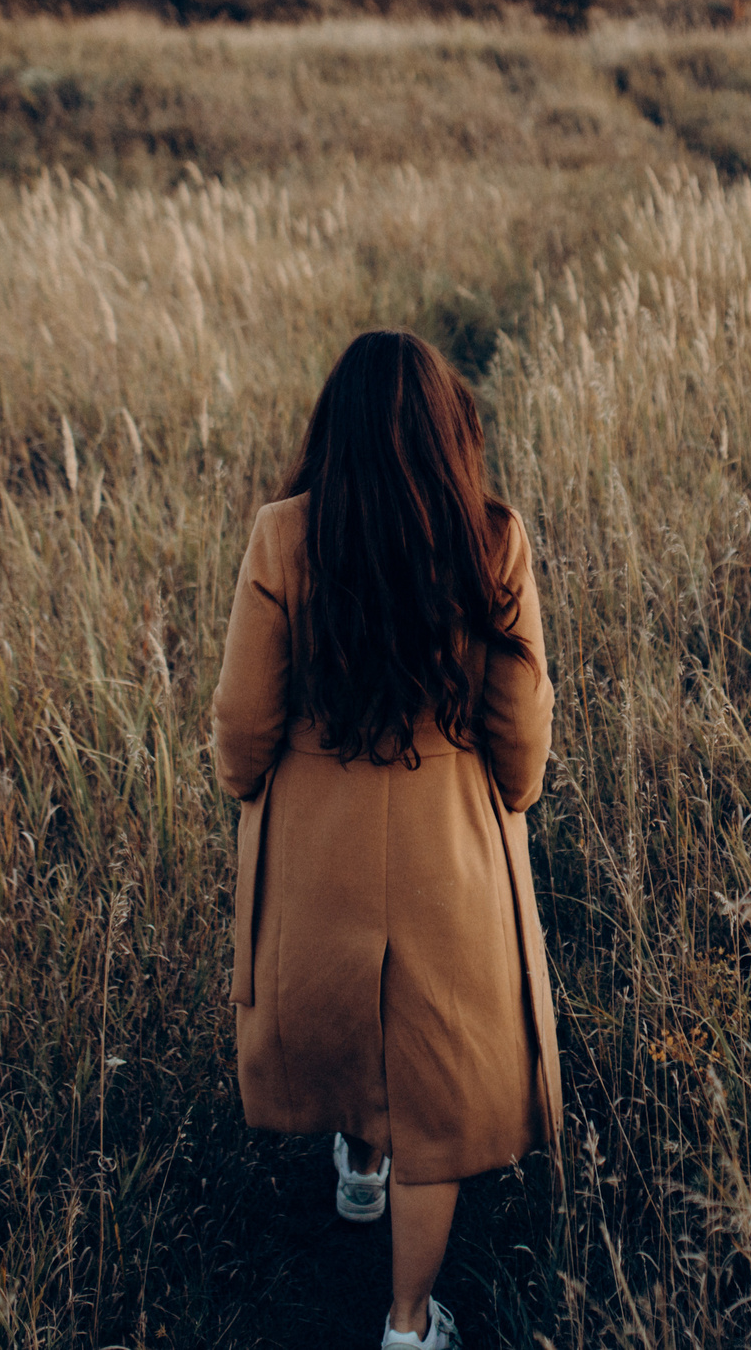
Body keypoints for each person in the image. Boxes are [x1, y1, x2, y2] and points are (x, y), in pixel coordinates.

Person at [211, 329, 559, 1350]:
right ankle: (408, 1324)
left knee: (346, 1011)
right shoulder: (491, 537)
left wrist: (247, 791)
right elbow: (521, 723)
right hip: (448, 848)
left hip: (318, 849)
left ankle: (357, 1168)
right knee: (437, 1097)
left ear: (335, 431)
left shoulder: (283, 536)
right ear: (452, 431)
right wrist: (510, 796)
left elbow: (242, 720)